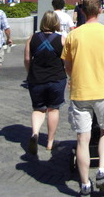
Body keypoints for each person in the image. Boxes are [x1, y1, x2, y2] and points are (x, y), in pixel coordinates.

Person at [62, 0, 104, 195]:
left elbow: (67, 64)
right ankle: (102, 171)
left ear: (82, 11)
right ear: (99, 11)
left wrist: (74, 76)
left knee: (82, 138)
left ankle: (84, 185)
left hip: (80, 92)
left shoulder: (74, 35)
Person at [24, 11, 67, 155]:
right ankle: (50, 142)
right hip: (56, 78)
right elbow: (67, 62)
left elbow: (27, 59)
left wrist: (30, 72)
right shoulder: (62, 39)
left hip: (36, 79)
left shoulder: (32, 39)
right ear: (56, 23)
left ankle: (35, 133)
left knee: (38, 109)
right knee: (53, 109)